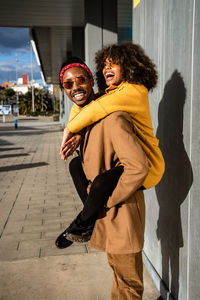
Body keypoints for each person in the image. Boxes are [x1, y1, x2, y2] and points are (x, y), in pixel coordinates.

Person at [56, 56, 149, 298]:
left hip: (122, 210)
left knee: (128, 282)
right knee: (119, 276)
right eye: (68, 84)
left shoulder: (114, 117)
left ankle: (82, 222)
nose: (75, 87)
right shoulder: (87, 120)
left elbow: (138, 167)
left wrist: (106, 200)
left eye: (80, 79)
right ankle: (84, 221)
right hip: (105, 213)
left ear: (91, 81)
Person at [57, 42, 165, 243]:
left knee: (99, 183)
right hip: (126, 164)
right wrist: (79, 133)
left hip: (147, 162)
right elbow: (85, 108)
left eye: (114, 63)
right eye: (105, 65)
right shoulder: (110, 94)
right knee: (74, 165)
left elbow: (95, 109)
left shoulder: (134, 90)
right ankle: (89, 219)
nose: (107, 68)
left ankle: (83, 221)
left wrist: (70, 129)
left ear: (130, 66)